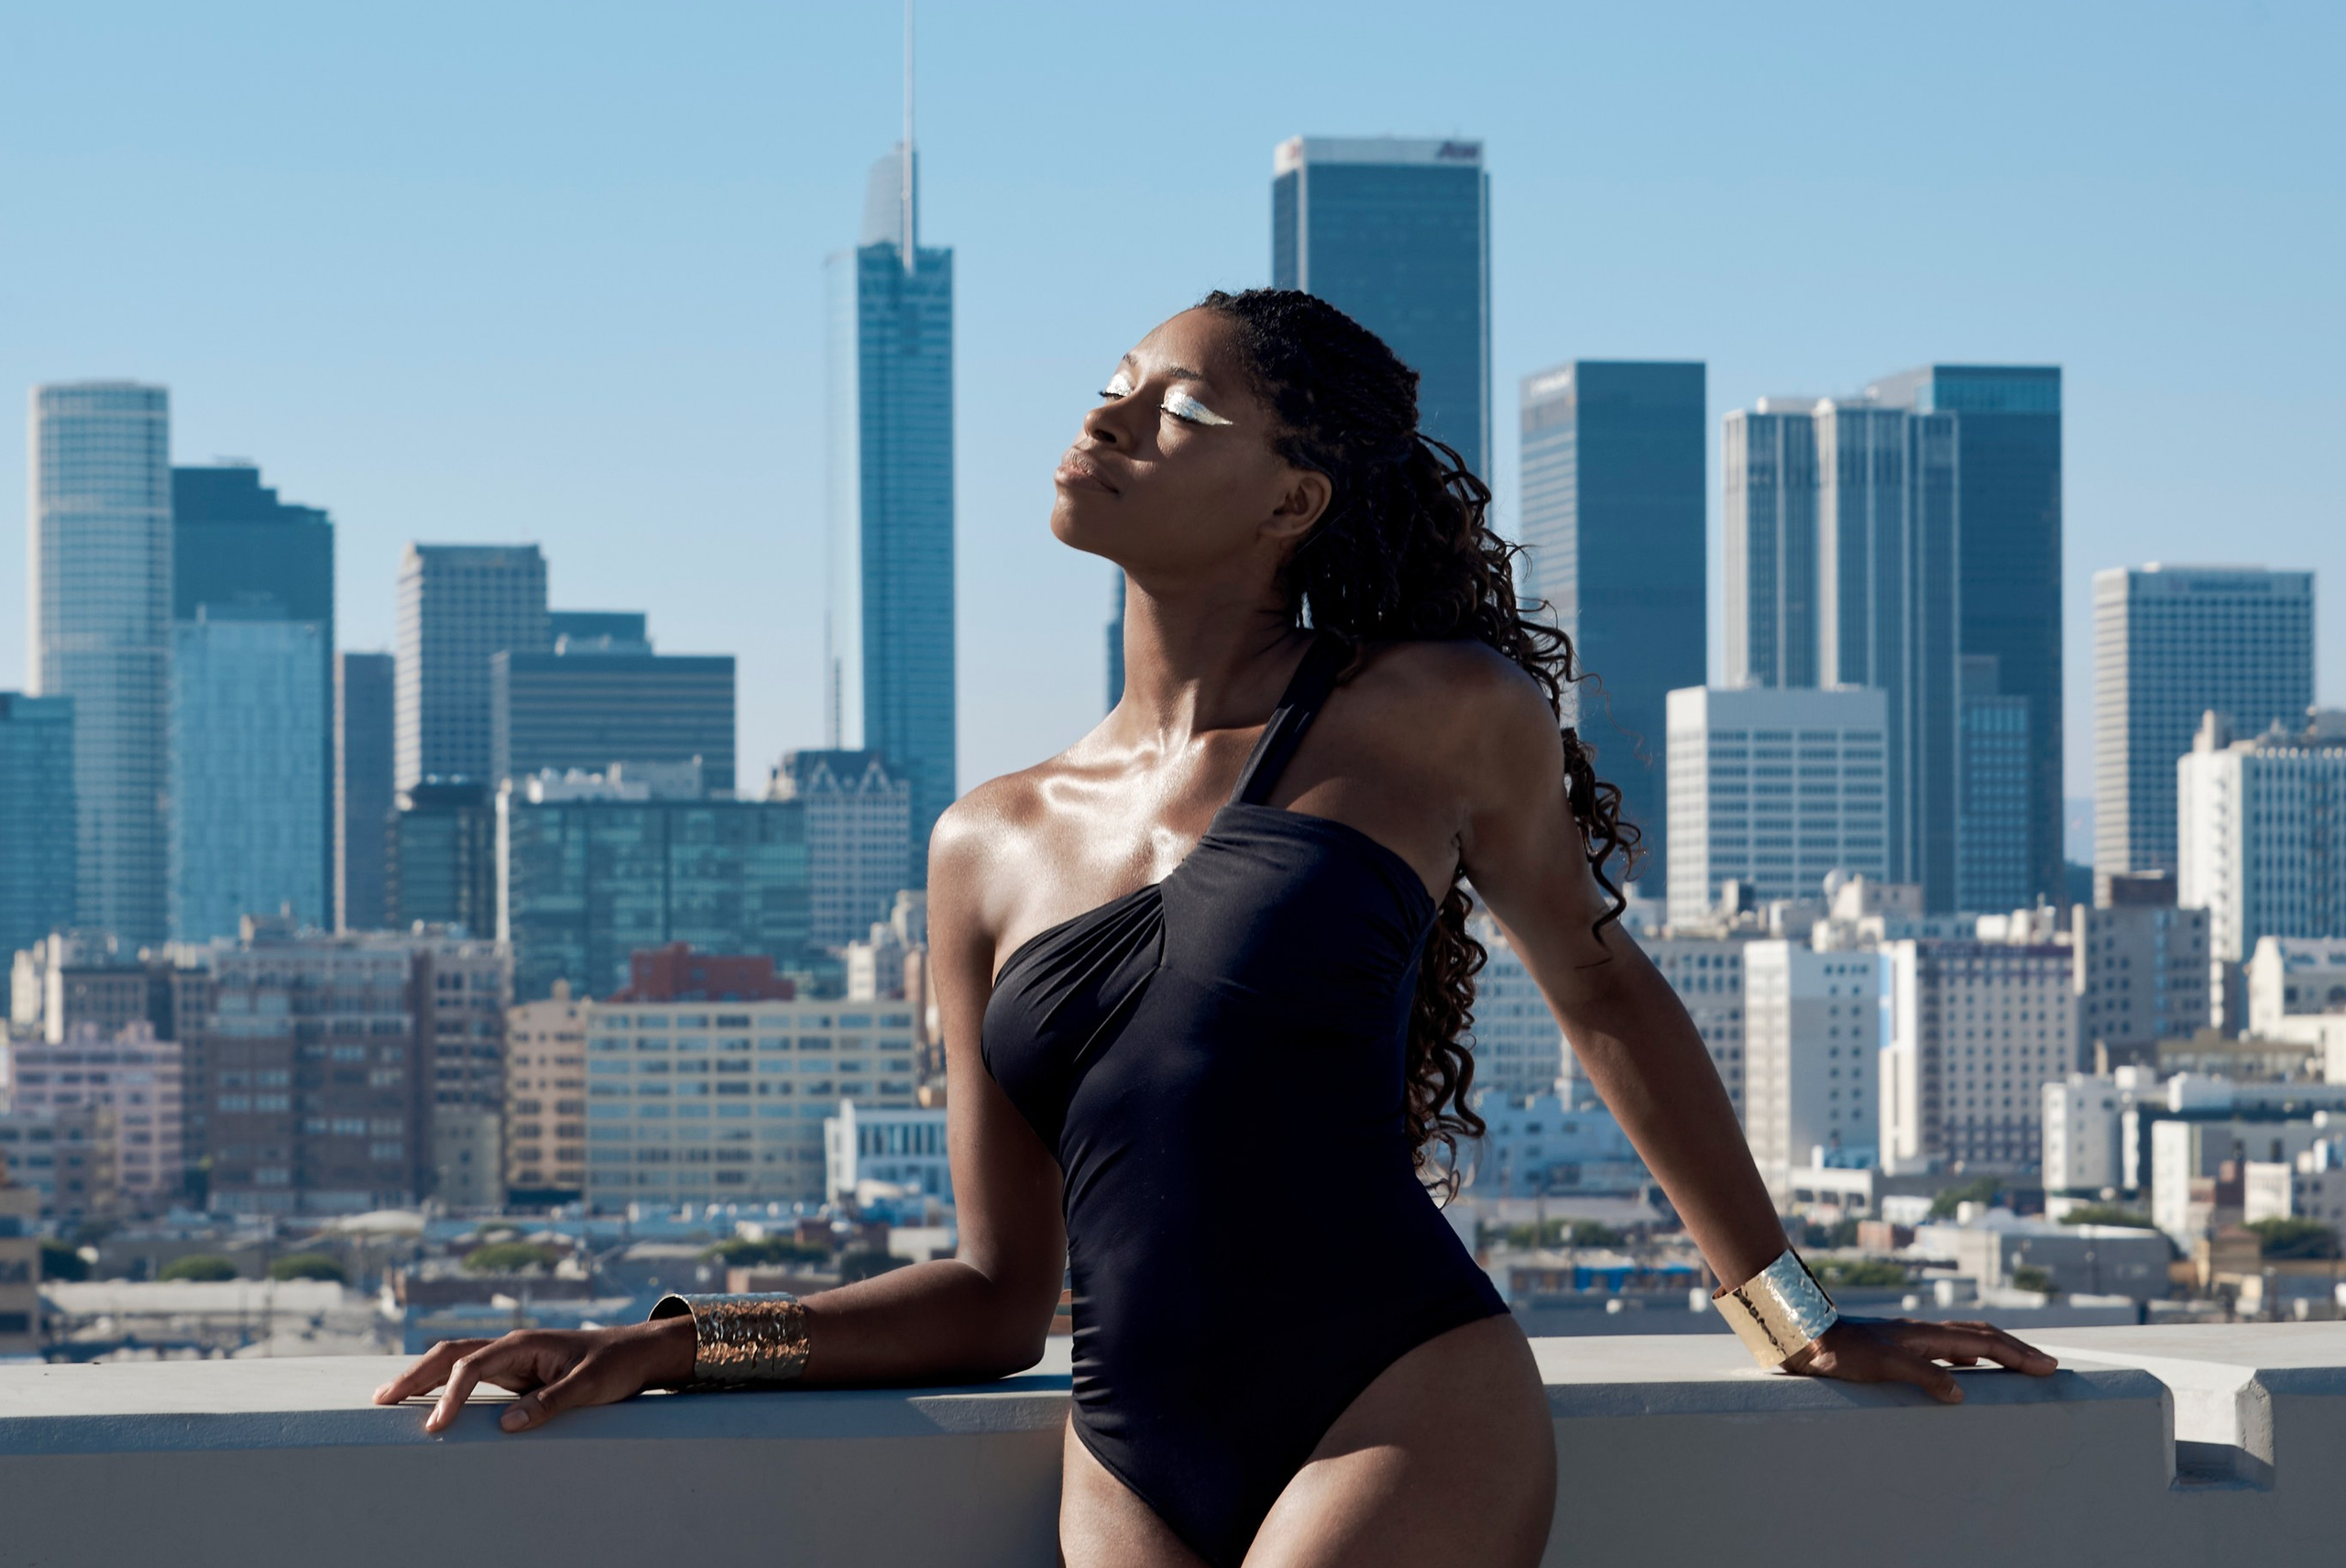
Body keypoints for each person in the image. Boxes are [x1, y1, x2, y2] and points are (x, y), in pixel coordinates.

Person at [377, 288, 2057, 1565]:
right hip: (1126, 1455)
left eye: (1177, 409)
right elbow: (993, 1296)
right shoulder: (980, 842)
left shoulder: (1433, 711)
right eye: (1111, 386)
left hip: (1397, 1397)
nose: (1109, 417)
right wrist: (675, 1347)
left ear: (1292, 503)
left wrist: (1789, 1313)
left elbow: (1602, 991)